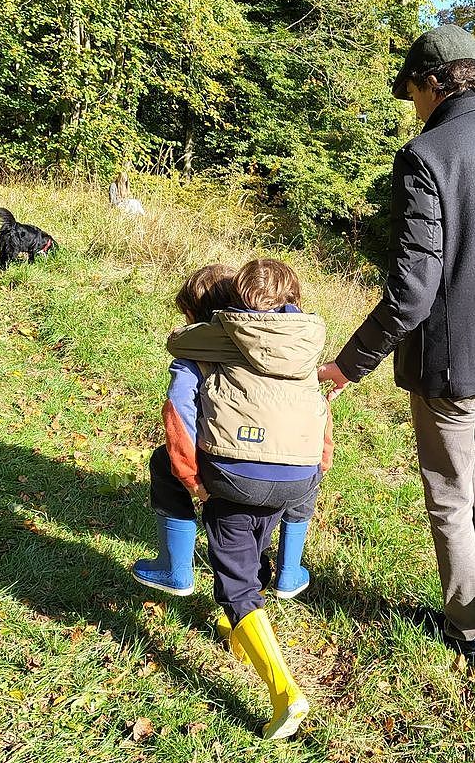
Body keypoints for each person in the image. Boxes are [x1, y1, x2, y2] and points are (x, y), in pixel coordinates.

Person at [318, 24, 475, 669]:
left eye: (412, 93)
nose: (413, 106)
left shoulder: (427, 157)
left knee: (446, 488)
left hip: (452, 368)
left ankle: (468, 623)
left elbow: (413, 288)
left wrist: (350, 364)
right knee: (464, 460)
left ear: (434, 84)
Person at [134, 259, 332, 738]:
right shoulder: (297, 347)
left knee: (235, 581)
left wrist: (193, 479)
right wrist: (317, 468)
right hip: (298, 476)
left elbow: (179, 415)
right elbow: (319, 411)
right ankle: (240, 627)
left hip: (235, 474)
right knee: (250, 546)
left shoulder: (202, 349)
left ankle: (286, 692)